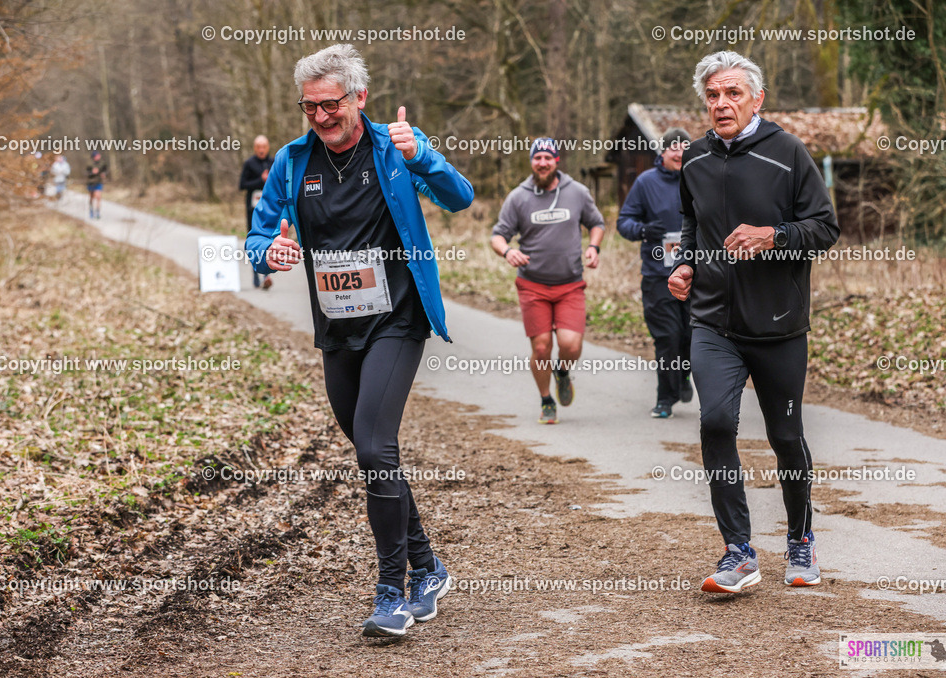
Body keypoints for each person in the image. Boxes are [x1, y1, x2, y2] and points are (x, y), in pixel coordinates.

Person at [245, 44, 473, 637]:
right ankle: (429, 567)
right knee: (375, 452)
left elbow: (460, 196)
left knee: (374, 450)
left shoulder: (396, 146)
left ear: (359, 97)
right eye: (310, 106)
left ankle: (391, 592)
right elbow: (257, 235)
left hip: (398, 318)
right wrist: (268, 251)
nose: (322, 116)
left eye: (332, 104)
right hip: (337, 328)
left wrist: (422, 154)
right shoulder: (292, 162)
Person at [667, 51, 840, 593]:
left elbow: (825, 227)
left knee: (786, 436)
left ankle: (801, 540)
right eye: (713, 95)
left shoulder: (788, 152)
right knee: (716, 423)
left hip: (778, 326)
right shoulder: (694, 158)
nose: (722, 104)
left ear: (757, 98)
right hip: (712, 323)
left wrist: (774, 236)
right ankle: (738, 552)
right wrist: (685, 264)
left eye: (733, 93)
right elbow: (692, 222)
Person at [491, 137, 605, 424]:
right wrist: (508, 251)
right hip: (532, 285)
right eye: (537, 158)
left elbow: (596, 224)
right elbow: (498, 236)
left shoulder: (577, 192)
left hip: (570, 284)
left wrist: (593, 247)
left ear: (556, 161)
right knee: (541, 347)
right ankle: (546, 401)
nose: (542, 163)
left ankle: (562, 373)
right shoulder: (518, 197)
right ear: (532, 161)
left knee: (571, 345)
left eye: (547, 158)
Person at [617, 128, 693, 419]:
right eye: (673, 147)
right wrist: (644, 230)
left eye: (684, 147)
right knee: (668, 337)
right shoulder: (646, 182)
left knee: (692, 336)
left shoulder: (700, 178)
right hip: (657, 275)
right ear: (662, 152)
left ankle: (683, 375)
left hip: (695, 274)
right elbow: (624, 222)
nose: (679, 152)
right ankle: (665, 399)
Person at [239, 135, 274, 289]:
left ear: (268, 147)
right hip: (252, 209)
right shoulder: (249, 163)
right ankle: (255, 273)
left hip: (269, 208)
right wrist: (260, 180)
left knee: (268, 238)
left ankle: (266, 275)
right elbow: (242, 184)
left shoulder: (273, 162)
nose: (261, 150)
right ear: (254, 148)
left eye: (264, 147)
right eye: (258, 147)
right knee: (253, 240)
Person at [86, 151, 107, 219]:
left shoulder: (102, 164)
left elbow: (105, 171)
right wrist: (92, 172)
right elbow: (87, 173)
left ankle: (97, 211)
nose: (98, 157)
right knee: (92, 197)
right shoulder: (89, 164)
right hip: (91, 182)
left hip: (98, 182)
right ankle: (91, 210)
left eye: (98, 155)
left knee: (98, 196)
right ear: (93, 157)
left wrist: (104, 174)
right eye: (96, 156)